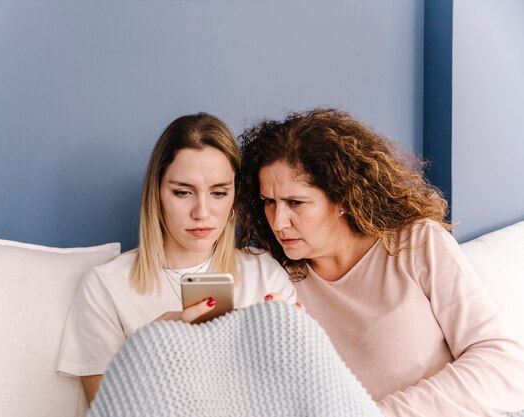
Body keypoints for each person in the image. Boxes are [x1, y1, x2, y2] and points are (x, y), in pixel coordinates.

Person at [238, 108, 524, 416]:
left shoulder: (416, 244)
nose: (279, 221)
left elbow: (504, 365)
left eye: (296, 203)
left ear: (343, 200)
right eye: (269, 202)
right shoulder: (277, 280)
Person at [57, 113, 296, 405]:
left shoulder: (263, 274)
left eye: (219, 193)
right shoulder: (105, 286)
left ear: (235, 196)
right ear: (156, 193)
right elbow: (106, 409)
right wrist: (146, 353)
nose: (202, 212)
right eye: (183, 192)